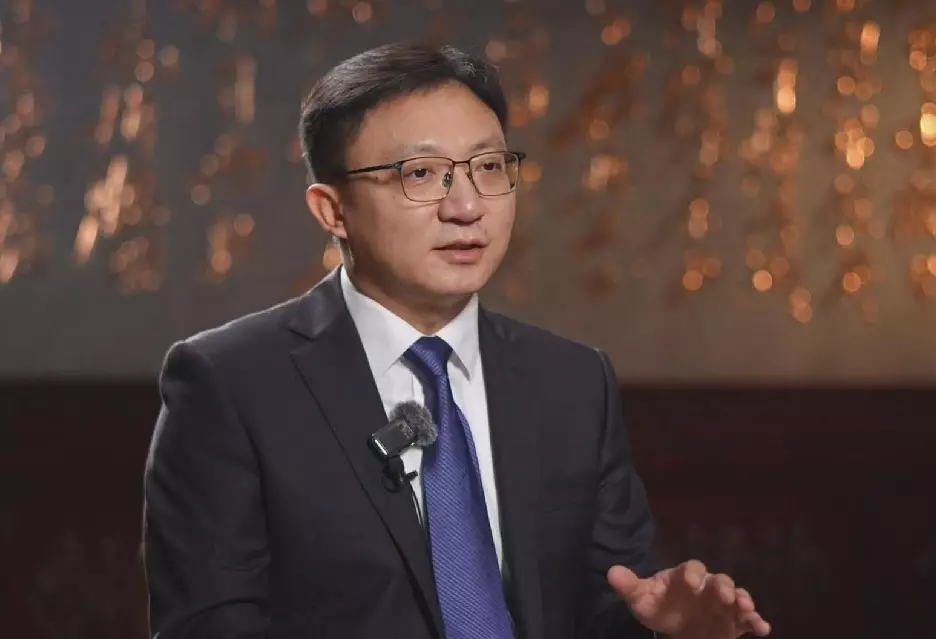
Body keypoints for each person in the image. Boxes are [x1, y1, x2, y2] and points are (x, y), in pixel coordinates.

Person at [142, 42, 770, 639]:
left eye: (489, 167)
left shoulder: (573, 382)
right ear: (333, 210)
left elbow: (606, 608)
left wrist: (667, 632)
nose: (467, 207)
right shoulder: (230, 384)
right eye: (421, 173)